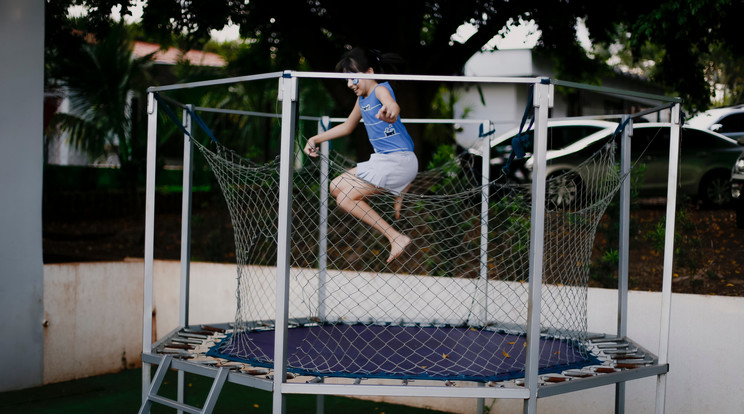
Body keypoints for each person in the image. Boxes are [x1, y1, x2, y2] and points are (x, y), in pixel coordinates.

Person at [303, 47, 418, 264]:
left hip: (399, 162)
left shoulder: (380, 89)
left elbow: (391, 104)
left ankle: (396, 237)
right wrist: (315, 139)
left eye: (353, 78)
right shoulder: (362, 100)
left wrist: (390, 111)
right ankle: (400, 187)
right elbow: (347, 126)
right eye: (347, 80)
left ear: (370, 72)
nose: (349, 84)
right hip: (384, 160)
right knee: (335, 187)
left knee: (346, 199)